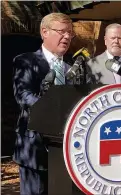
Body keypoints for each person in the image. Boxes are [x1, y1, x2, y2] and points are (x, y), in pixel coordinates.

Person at [12, 12, 74, 195]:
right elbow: (23, 95)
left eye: (70, 33)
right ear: (44, 32)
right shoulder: (25, 61)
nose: (67, 37)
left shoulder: (74, 66)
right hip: (35, 149)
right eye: (62, 31)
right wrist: (54, 109)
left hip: (67, 151)